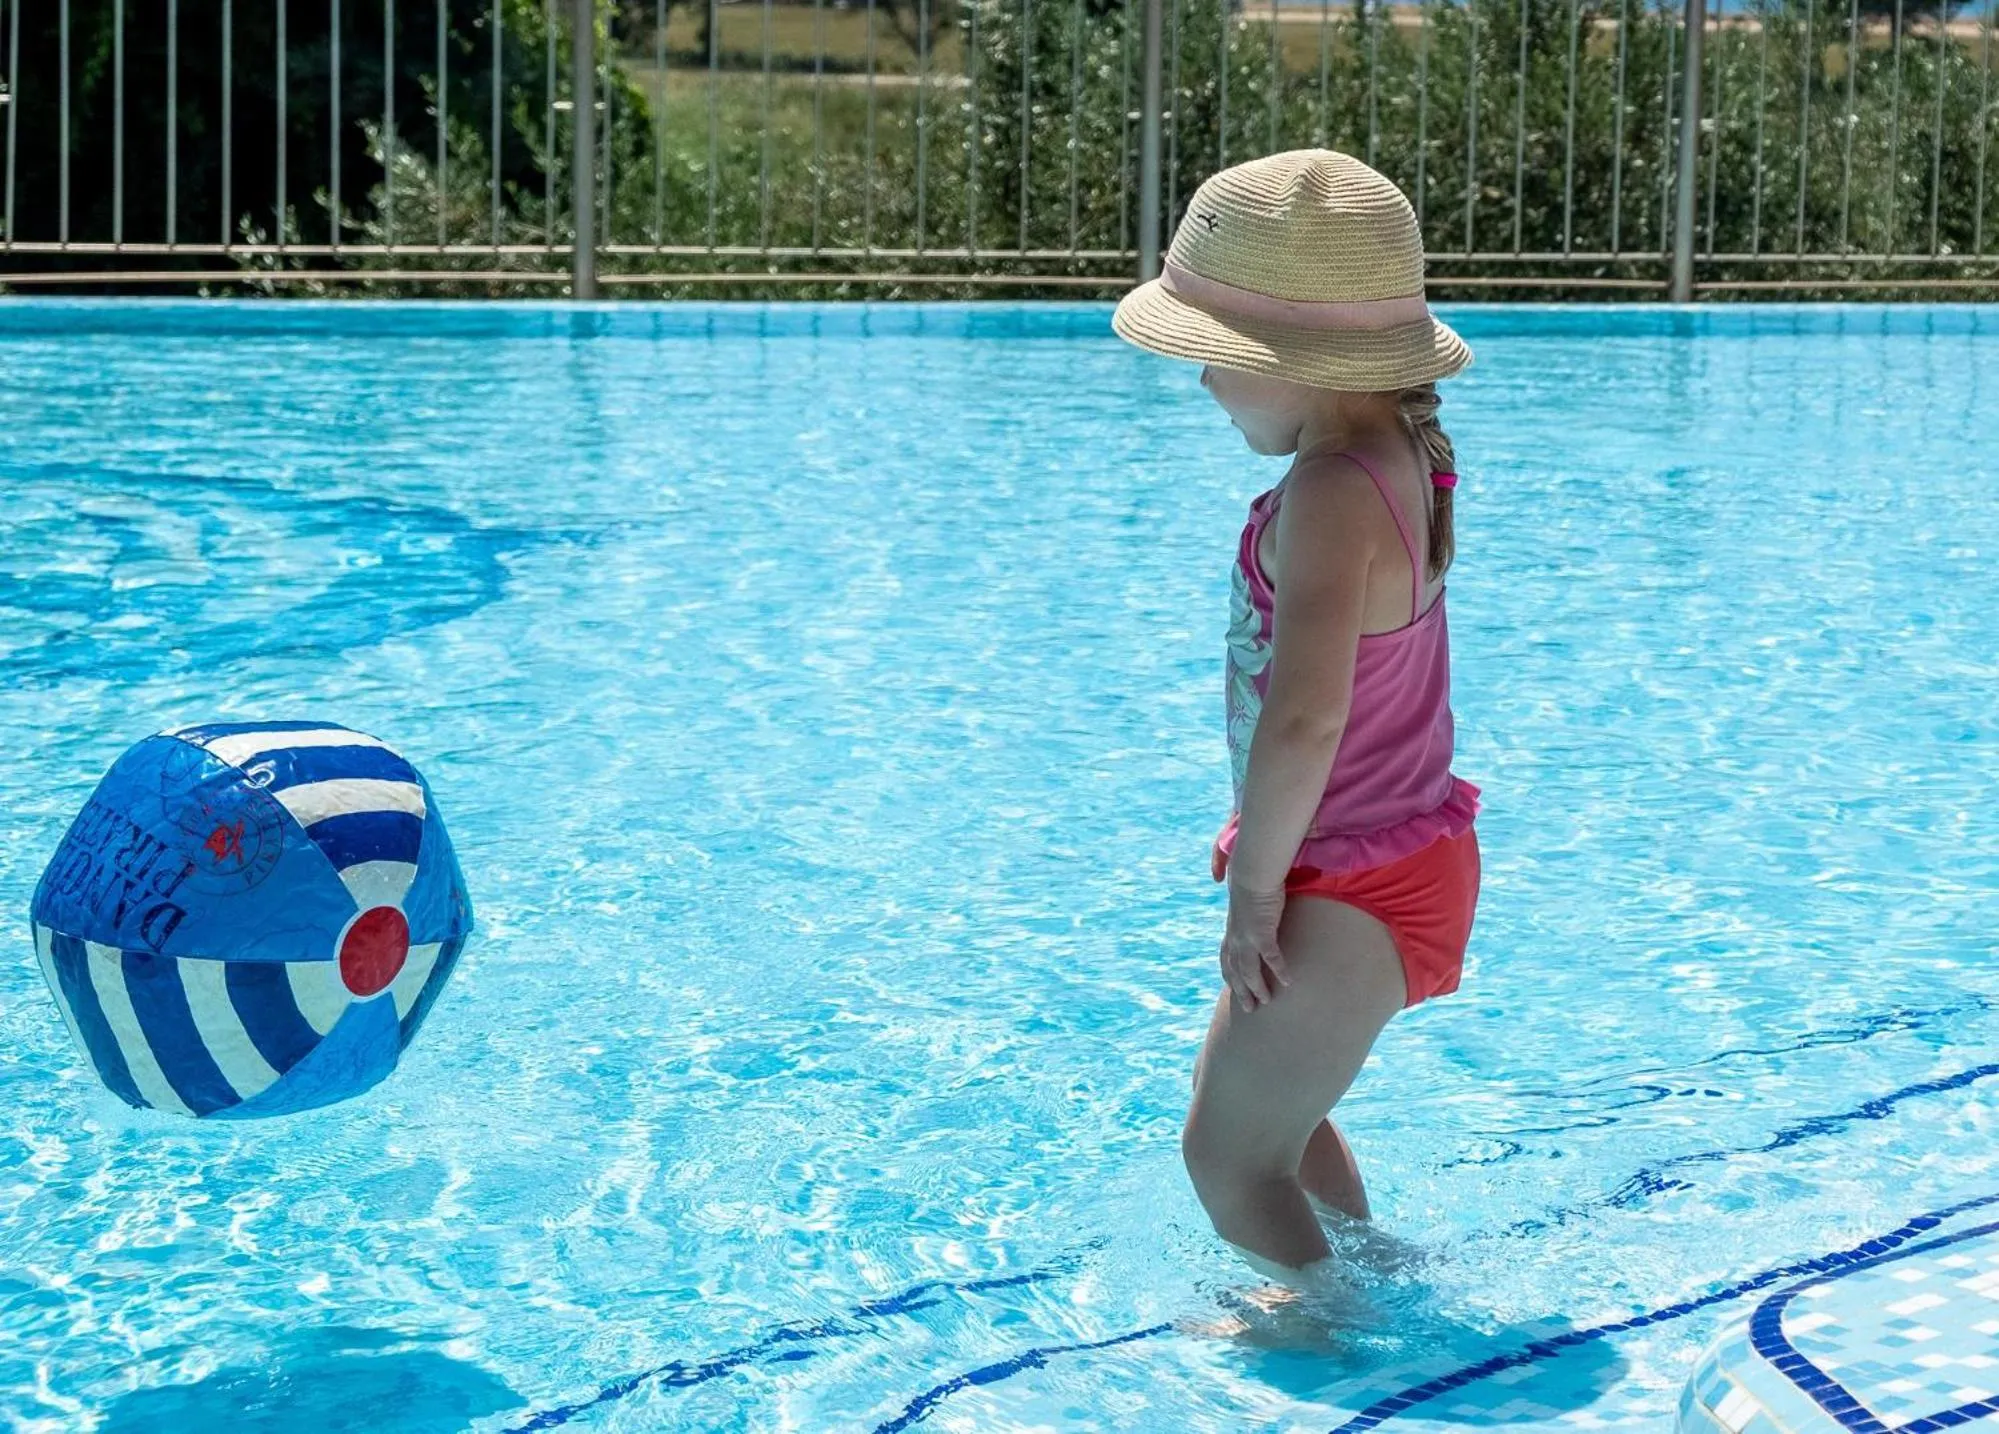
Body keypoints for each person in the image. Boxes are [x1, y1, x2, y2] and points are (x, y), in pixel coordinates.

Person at [1112, 150, 1483, 1280]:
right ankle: (1375, 1277)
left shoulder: (1329, 494)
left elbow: (1304, 720)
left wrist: (1258, 891)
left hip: (1348, 877)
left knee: (1226, 1160)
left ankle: (1344, 1350)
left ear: (1289, 363)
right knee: (1269, 1118)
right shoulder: (1393, 453)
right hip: (1400, 855)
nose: (1204, 385)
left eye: (1212, 361)